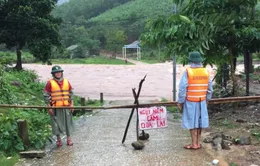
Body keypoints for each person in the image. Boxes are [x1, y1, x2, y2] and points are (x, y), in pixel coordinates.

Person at [177, 52, 213, 150]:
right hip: (202, 101)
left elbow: (182, 88)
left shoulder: (188, 72)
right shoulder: (206, 71)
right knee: (200, 122)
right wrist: (207, 99)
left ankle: (194, 144)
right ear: (200, 60)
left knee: (192, 122)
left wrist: (180, 101)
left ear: (191, 61)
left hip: (190, 101)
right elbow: (210, 88)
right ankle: (198, 143)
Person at [43, 65, 74, 147]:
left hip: (66, 107)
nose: (58, 74)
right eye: (56, 73)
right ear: (53, 74)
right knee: (56, 124)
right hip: (55, 108)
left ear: (61, 73)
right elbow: (46, 95)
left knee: (68, 123)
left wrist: (72, 104)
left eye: (59, 72)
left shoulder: (67, 82)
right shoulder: (50, 83)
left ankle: (69, 139)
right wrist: (49, 107)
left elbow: (71, 93)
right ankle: (59, 140)